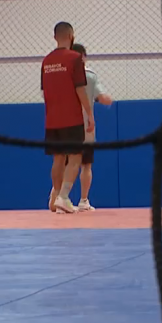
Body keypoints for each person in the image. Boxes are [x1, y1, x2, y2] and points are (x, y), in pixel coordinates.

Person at [54, 43, 114, 212]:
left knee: (64, 164)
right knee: (86, 165)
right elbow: (102, 97)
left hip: (63, 125)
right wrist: (107, 99)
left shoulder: (61, 75)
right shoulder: (90, 75)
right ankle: (83, 200)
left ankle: (59, 197)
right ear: (84, 57)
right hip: (85, 127)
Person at [42, 22, 94, 214]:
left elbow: (44, 92)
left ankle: (57, 197)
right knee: (75, 156)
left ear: (55, 37)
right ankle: (63, 197)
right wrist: (89, 113)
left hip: (52, 118)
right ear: (71, 35)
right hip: (71, 117)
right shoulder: (75, 59)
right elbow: (80, 89)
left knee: (58, 158)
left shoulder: (46, 61)